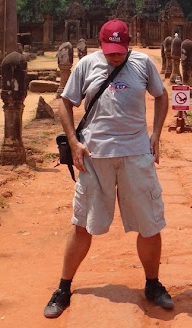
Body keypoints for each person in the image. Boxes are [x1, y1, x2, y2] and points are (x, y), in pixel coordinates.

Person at [44, 20, 172, 318]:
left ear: (128, 44)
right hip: (95, 156)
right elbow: (65, 103)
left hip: (136, 154)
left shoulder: (143, 64)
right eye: (109, 51)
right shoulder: (86, 65)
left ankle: (153, 284)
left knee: (149, 224)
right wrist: (74, 142)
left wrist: (156, 133)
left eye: (119, 51)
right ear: (100, 45)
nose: (114, 56)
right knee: (81, 223)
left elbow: (161, 95)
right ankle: (64, 287)